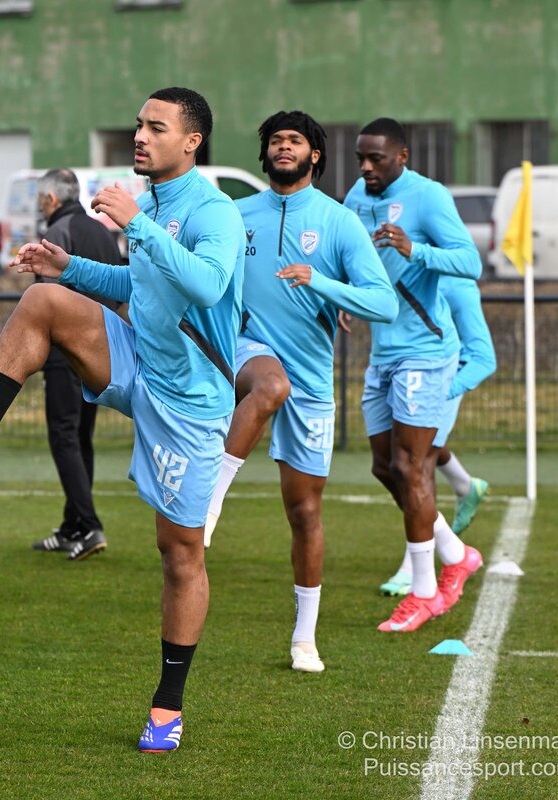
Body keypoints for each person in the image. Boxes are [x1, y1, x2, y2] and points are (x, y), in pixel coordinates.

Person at [0, 87, 245, 753]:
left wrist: (136, 226)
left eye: (156, 127)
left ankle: (167, 707)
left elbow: (206, 286)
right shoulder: (153, 207)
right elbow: (135, 288)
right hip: (139, 358)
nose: (140, 136)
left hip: (189, 403)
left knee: (180, 554)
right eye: (139, 124)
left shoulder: (214, 212)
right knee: (43, 299)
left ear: (192, 142)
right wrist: (69, 267)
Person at [201, 111, 396, 672]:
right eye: (275, 141)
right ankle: (210, 500)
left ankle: (304, 639)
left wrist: (326, 285)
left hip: (311, 380)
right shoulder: (236, 214)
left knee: (305, 511)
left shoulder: (337, 222)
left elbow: (383, 302)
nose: (283, 147)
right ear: (264, 154)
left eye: (295, 141)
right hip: (247, 350)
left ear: (315, 155)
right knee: (269, 384)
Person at [343, 117, 484, 633]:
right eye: (361, 158)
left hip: (425, 352)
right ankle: (457, 554)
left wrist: (413, 250)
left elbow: (470, 262)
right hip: (383, 352)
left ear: (401, 156)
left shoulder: (429, 197)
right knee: (385, 468)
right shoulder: (356, 197)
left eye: (376, 158)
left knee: (412, 465)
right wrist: (344, 295)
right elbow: (348, 255)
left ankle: (424, 593)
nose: (366, 167)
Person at [378, 273, 495, 596]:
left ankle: (414, 565)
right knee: (397, 459)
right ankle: (464, 485)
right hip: (408, 374)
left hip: (444, 379)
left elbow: (484, 358)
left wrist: (442, 392)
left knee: (418, 464)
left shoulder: (459, 285)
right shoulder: (405, 274)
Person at [28, 168, 122, 561]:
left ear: (51, 198)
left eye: (40, 197)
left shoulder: (57, 233)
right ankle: (73, 526)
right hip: (103, 352)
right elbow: (120, 287)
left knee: (64, 436)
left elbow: (45, 302)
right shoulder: (102, 231)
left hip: (66, 354)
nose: (39, 204)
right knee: (81, 436)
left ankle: (89, 524)